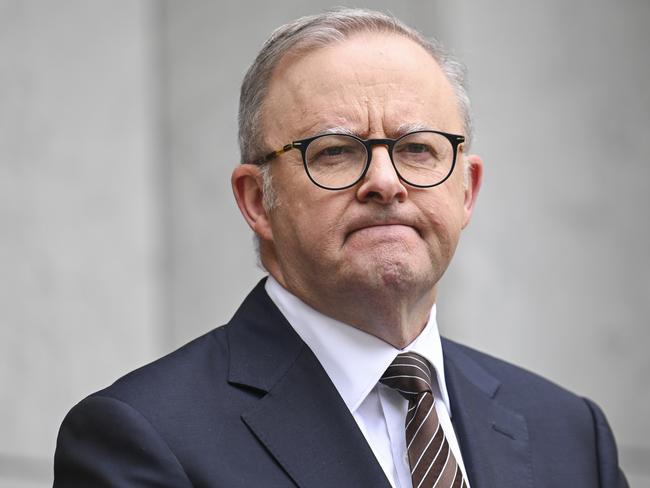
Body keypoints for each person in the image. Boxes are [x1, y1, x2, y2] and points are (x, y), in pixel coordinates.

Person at [54, 8, 628, 487]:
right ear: (257, 200)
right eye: (334, 151)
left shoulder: (570, 434)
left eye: (419, 149)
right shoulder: (143, 437)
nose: (386, 181)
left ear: (467, 189)